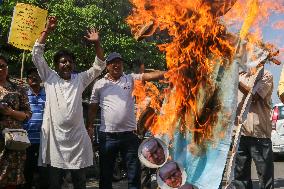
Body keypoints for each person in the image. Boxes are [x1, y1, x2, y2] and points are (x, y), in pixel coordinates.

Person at [32, 16, 106, 189]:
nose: (67, 64)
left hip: (76, 140)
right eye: (63, 61)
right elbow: (36, 54)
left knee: (80, 182)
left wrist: (96, 43)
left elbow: (99, 66)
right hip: (55, 141)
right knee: (54, 183)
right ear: (57, 65)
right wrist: (47, 31)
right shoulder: (49, 77)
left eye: (70, 62)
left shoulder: (79, 79)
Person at [87, 52, 166, 189]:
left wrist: (169, 73)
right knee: (105, 174)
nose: (117, 65)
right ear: (107, 66)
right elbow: (93, 108)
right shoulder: (99, 84)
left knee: (133, 173)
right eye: (113, 62)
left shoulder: (129, 79)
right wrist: (89, 126)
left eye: (119, 62)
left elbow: (147, 76)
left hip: (130, 136)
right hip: (107, 136)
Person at [234, 66, 274, 189]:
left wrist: (235, 80)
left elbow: (254, 96)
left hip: (260, 135)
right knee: (241, 177)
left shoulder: (266, 75)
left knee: (265, 177)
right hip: (240, 133)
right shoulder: (239, 75)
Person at [0, 55, 32, 189]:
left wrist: (10, 112)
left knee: (12, 180)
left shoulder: (18, 88)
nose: (0, 69)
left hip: (13, 141)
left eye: (2, 66)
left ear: (7, 68)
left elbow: (28, 114)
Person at [22, 67, 48, 189]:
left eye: (36, 75)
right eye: (31, 76)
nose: (34, 78)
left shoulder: (48, 94)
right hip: (27, 141)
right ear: (27, 80)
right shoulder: (23, 94)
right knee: (27, 171)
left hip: (45, 140)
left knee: (44, 173)